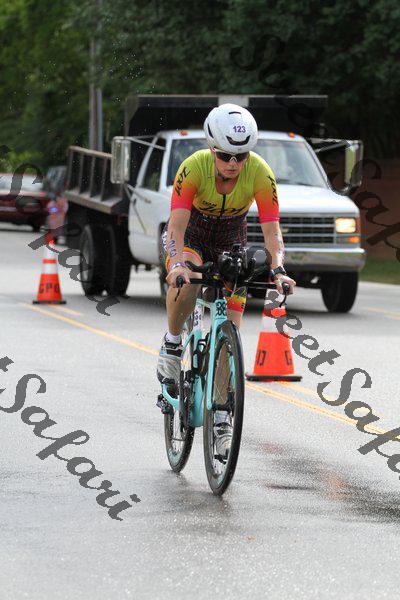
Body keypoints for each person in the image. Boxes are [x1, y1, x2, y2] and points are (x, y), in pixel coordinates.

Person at [157, 103, 296, 455]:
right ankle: (172, 343)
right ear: (211, 147)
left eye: (241, 156)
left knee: (231, 325)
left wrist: (278, 269)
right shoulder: (193, 168)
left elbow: (272, 231)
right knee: (189, 278)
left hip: (231, 238)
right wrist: (176, 265)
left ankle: (221, 415)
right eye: (224, 155)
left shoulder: (261, 173)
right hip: (191, 235)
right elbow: (176, 227)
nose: (233, 164)